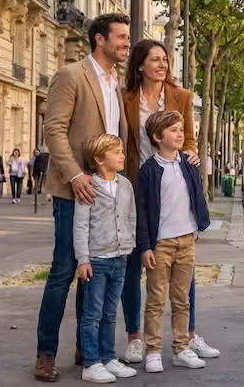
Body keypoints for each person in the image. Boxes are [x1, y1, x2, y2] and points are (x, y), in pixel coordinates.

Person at [34, 13, 130, 382]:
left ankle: (85, 348)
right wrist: (74, 174)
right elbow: (54, 129)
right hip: (73, 190)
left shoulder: (115, 83)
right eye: (120, 37)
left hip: (105, 195)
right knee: (63, 271)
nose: (126, 43)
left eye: (127, 37)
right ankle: (45, 353)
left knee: (94, 272)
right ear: (99, 40)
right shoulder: (71, 75)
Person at [118, 39, 214, 364]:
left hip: (174, 185)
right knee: (137, 262)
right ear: (140, 65)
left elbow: (187, 137)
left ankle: (187, 335)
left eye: (165, 59)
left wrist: (191, 153)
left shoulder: (181, 96)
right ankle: (136, 337)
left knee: (183, 273)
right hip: (137, 184)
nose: (162, 64)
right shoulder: (125, 97)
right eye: (155, 59)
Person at [135, 110, 210, 373]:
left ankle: (181, 348)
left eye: (181, 129)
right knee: (155, 299)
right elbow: (141, 211)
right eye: (174, 130)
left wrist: (199, 225)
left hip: (186, 240)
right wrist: (145, 246)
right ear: (157, 137)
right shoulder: (148, 171)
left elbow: (197, 195)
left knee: (182, 299)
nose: (180, 134)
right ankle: (153, 350)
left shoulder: (189, 164)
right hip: (161, 245)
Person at [74, 134, 138, 383]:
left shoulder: (125, 185)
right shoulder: (90, 187)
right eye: (117, 152)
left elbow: (130, 216)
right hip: (97, 260)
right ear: (100, 159)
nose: (122, 155)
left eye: (122, 150)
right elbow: (80, 225)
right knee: (93, 314)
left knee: (111, 313)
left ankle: (109, 357)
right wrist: (83, 259)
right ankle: (91, 363)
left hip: (119, 258)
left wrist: (129, 244)